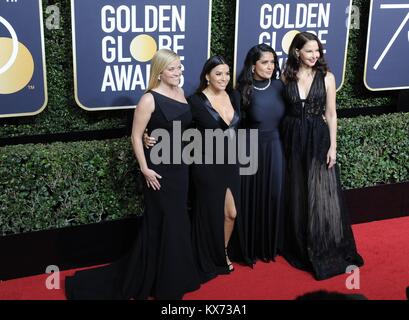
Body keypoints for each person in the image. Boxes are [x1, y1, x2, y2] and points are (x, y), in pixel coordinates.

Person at [65, 49, 200, 299]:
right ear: (159, 72)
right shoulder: (149, 99)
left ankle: (175, 275)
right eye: (172, 69)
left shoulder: (181, 93)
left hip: (180, 166)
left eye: (180, 67)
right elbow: (136, 136)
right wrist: (145, 168)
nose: (178, 72)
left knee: (177, 220)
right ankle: (155, 277)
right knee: (162, 220)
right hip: (158, 169)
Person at [145, 55, 250, 281]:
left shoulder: (235, 96)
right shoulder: (194, 101)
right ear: (207, 76)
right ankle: (207, 257)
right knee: (209, 213)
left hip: (232, 162)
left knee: (231, 213)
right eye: (218, 74)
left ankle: (221, 251)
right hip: (206, 164)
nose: (224, 78)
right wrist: (147, 135)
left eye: (227, 73)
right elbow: (173, 123)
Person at [280, 32, 364, 280]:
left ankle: (325, 243)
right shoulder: (286, 76)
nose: (315, 56)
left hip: (318, 138)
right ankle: (297, 242)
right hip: (292, 137)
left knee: (321, 192)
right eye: (309, 51)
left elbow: (331, 113)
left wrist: (333, 147)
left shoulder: (327, 77)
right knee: (296, 190)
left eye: (317, 51)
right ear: (297, 52)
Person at [235, 44, 286, 263]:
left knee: (274, 194)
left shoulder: (280, 86)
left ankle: (270, 245)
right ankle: (250, 247)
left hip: (275, 146)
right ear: (253, 65)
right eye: (264, 62)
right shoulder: (241, 91)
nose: (270, 66)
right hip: (249, 149)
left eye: (273, 62)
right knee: (250, 198)